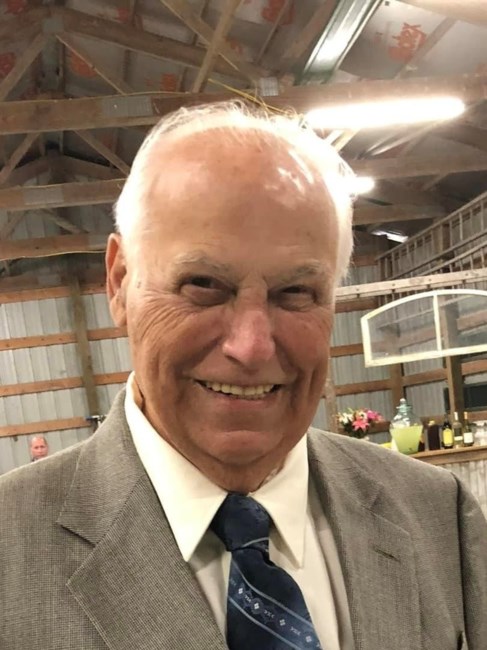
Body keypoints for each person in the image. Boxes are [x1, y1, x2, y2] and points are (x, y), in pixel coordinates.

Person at [0, 102, 485, 650]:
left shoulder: (437, 514)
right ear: (119, 282)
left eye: (296, 292)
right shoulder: (10, 553)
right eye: (204, 284)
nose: (252, 347)